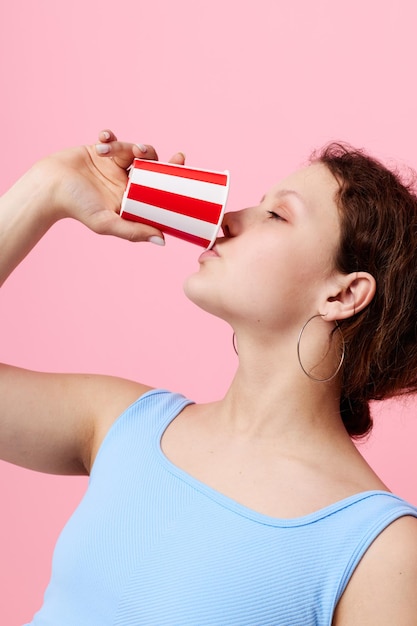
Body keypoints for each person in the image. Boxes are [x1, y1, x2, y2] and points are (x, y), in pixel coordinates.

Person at [1, 130, 417, 626]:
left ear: (343, 294)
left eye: (276, 214)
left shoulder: (381, 552)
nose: (226, 218)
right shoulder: (123, 424)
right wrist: (44, 191)